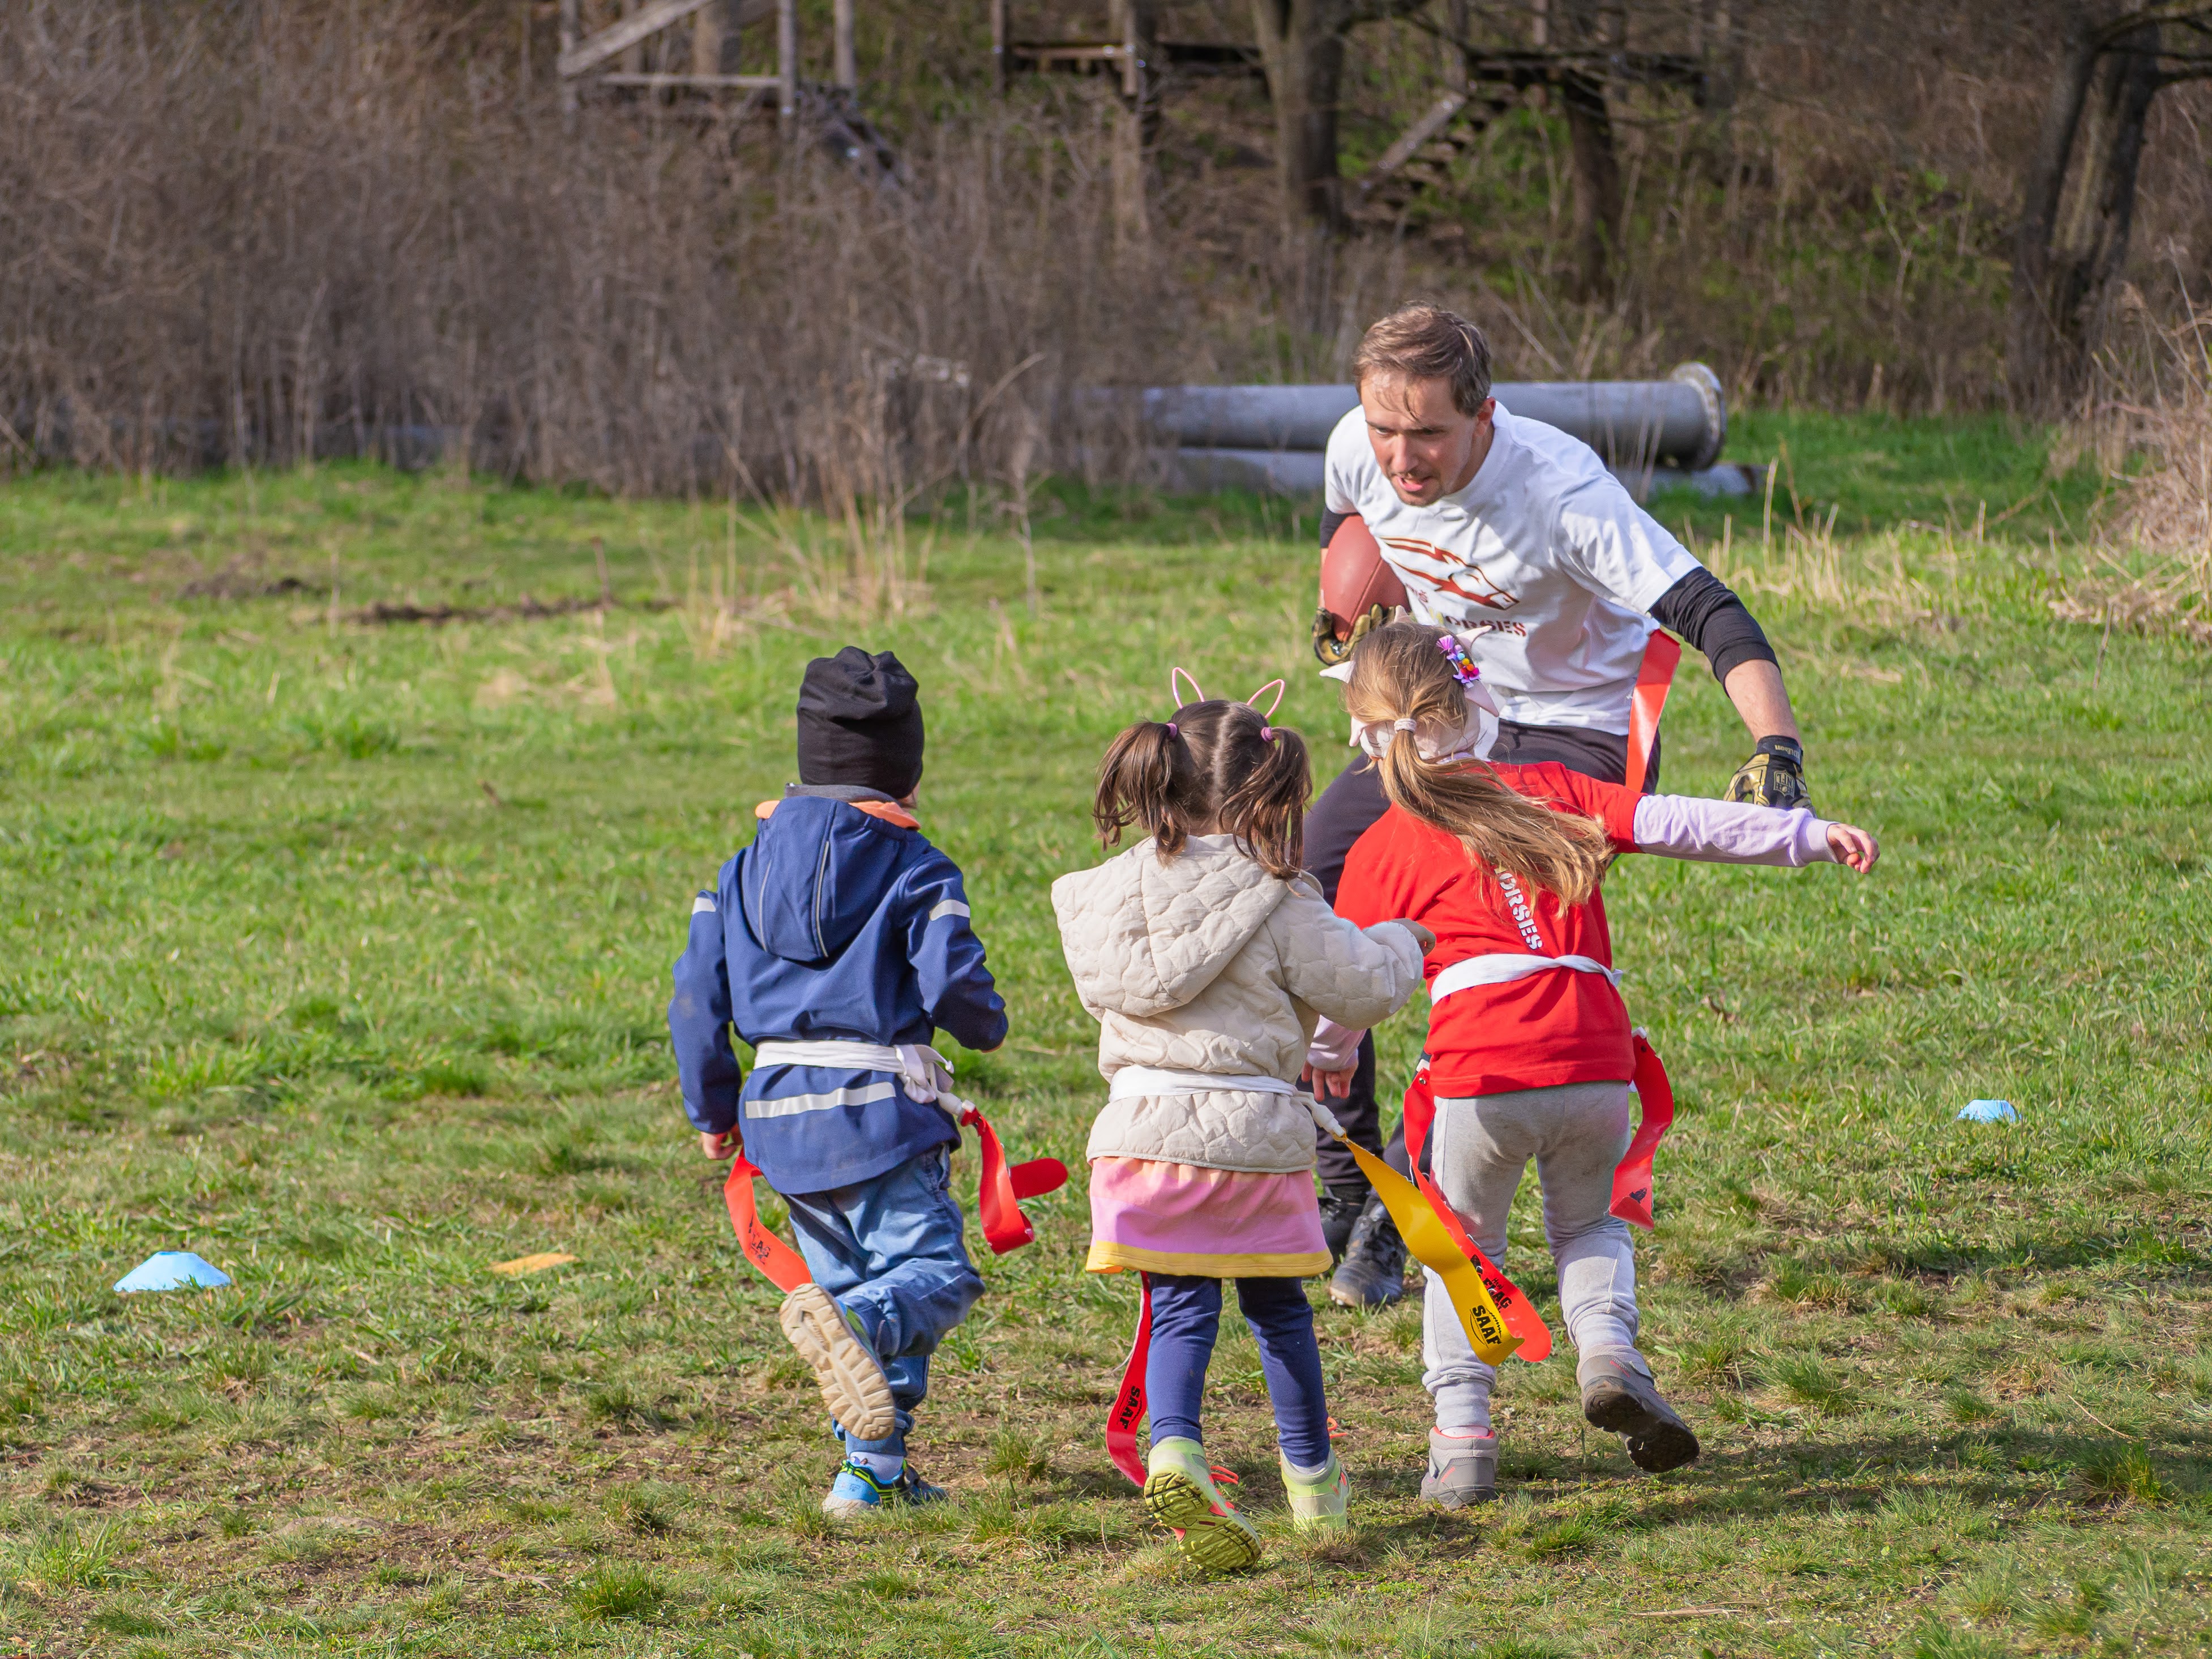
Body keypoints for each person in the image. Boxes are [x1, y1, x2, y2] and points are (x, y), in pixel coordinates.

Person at [1307, 303, 1815, 1309]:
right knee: (1315, 876)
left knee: (1483, 937)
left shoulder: (1563, 490)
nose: (1402, 459)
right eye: (1385, 431)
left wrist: (1777, 747)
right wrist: (1348, 621)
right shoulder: (1358, 447)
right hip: (1450, 716)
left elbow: (1713, 613)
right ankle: (1342, 1173)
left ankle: (1397, 1217)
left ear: (1484, 415)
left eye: (1430, 435)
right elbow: (1349, 536)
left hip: (1582, 732)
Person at [1324, 622, 1879, 1504]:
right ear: (1474, 703)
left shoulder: (1382, 846)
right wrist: (1804, 836)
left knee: (1465, 1255)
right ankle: (1611, 1355)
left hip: (1480, 1080)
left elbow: (1350, 982)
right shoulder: (1552, 787)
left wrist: (1327, 1056)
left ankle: (1462, 1440)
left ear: (1365, 733)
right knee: (1589, 1227)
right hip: (1593, 1062)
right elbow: (1681, 822)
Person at [1050, 685, 1432, 1571]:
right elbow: (1363, 986)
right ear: (1267, 795)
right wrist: (1408, 939)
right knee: (1278, 1312)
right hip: (1250, 1141)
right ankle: (1313, 1484)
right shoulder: (1282, 896)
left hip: (1138, 1140)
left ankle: (1176, 1448)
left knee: (1180, 1306)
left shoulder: (1106, 895)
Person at [669, 647, 1009, 1520]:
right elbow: (953, 987)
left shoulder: (736, 873)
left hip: (782, 1124)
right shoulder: (916, 866)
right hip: (883, 1118)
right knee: (928, 1274)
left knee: (846, 1290)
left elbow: (694, 1004)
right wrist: (986, 1025)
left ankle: (871, 1474)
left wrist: (714, 1110)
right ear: (906, 769)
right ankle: (856, 1331)